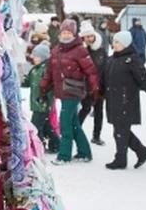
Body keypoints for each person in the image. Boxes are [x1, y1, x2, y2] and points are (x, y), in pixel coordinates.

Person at [39, 19, 101, 165]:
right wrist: (43, 88)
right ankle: (84, 152)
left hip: (74, 91)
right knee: (73, 123)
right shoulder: (56, 51)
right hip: (62, 91)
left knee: (65, 123)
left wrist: (96, 89)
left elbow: (91, 71)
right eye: (63, 32)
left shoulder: (80, 50)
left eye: (68, 32)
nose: (66, 35)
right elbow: (49, 72)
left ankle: (64, 155)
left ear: (74, 33)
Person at [104, 31, 146, 170]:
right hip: (113, 100)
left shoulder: (132, 60)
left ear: (126, 44)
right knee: (122, 130)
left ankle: (121, 159)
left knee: (120, 130)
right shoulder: (112, 59)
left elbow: (143, 80)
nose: (114, 44)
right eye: (114, 42)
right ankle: (142, 152)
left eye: (118, 42)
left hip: (125, 100)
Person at [23, 43, 58, 154]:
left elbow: (51, 86)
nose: (34, 58)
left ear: (43, 57)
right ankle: (56, 145)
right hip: (36, 103)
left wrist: (45, 98)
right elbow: (27, 82)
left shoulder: (47, 69)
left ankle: (39, 147)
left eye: (37, 56)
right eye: (34, 55)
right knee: (46, 125)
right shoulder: (35, 70)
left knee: (36, 126)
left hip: (43, 103)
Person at [78, 21, 107, 146]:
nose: (89, 39)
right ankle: (76, 130)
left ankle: (96, 136)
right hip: (86, 86)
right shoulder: (80, 52)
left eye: (91, 36)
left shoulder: (101, 51)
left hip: (99, 86)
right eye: (87, 36)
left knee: (99, 111)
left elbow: (106, 67)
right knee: (85, 109)